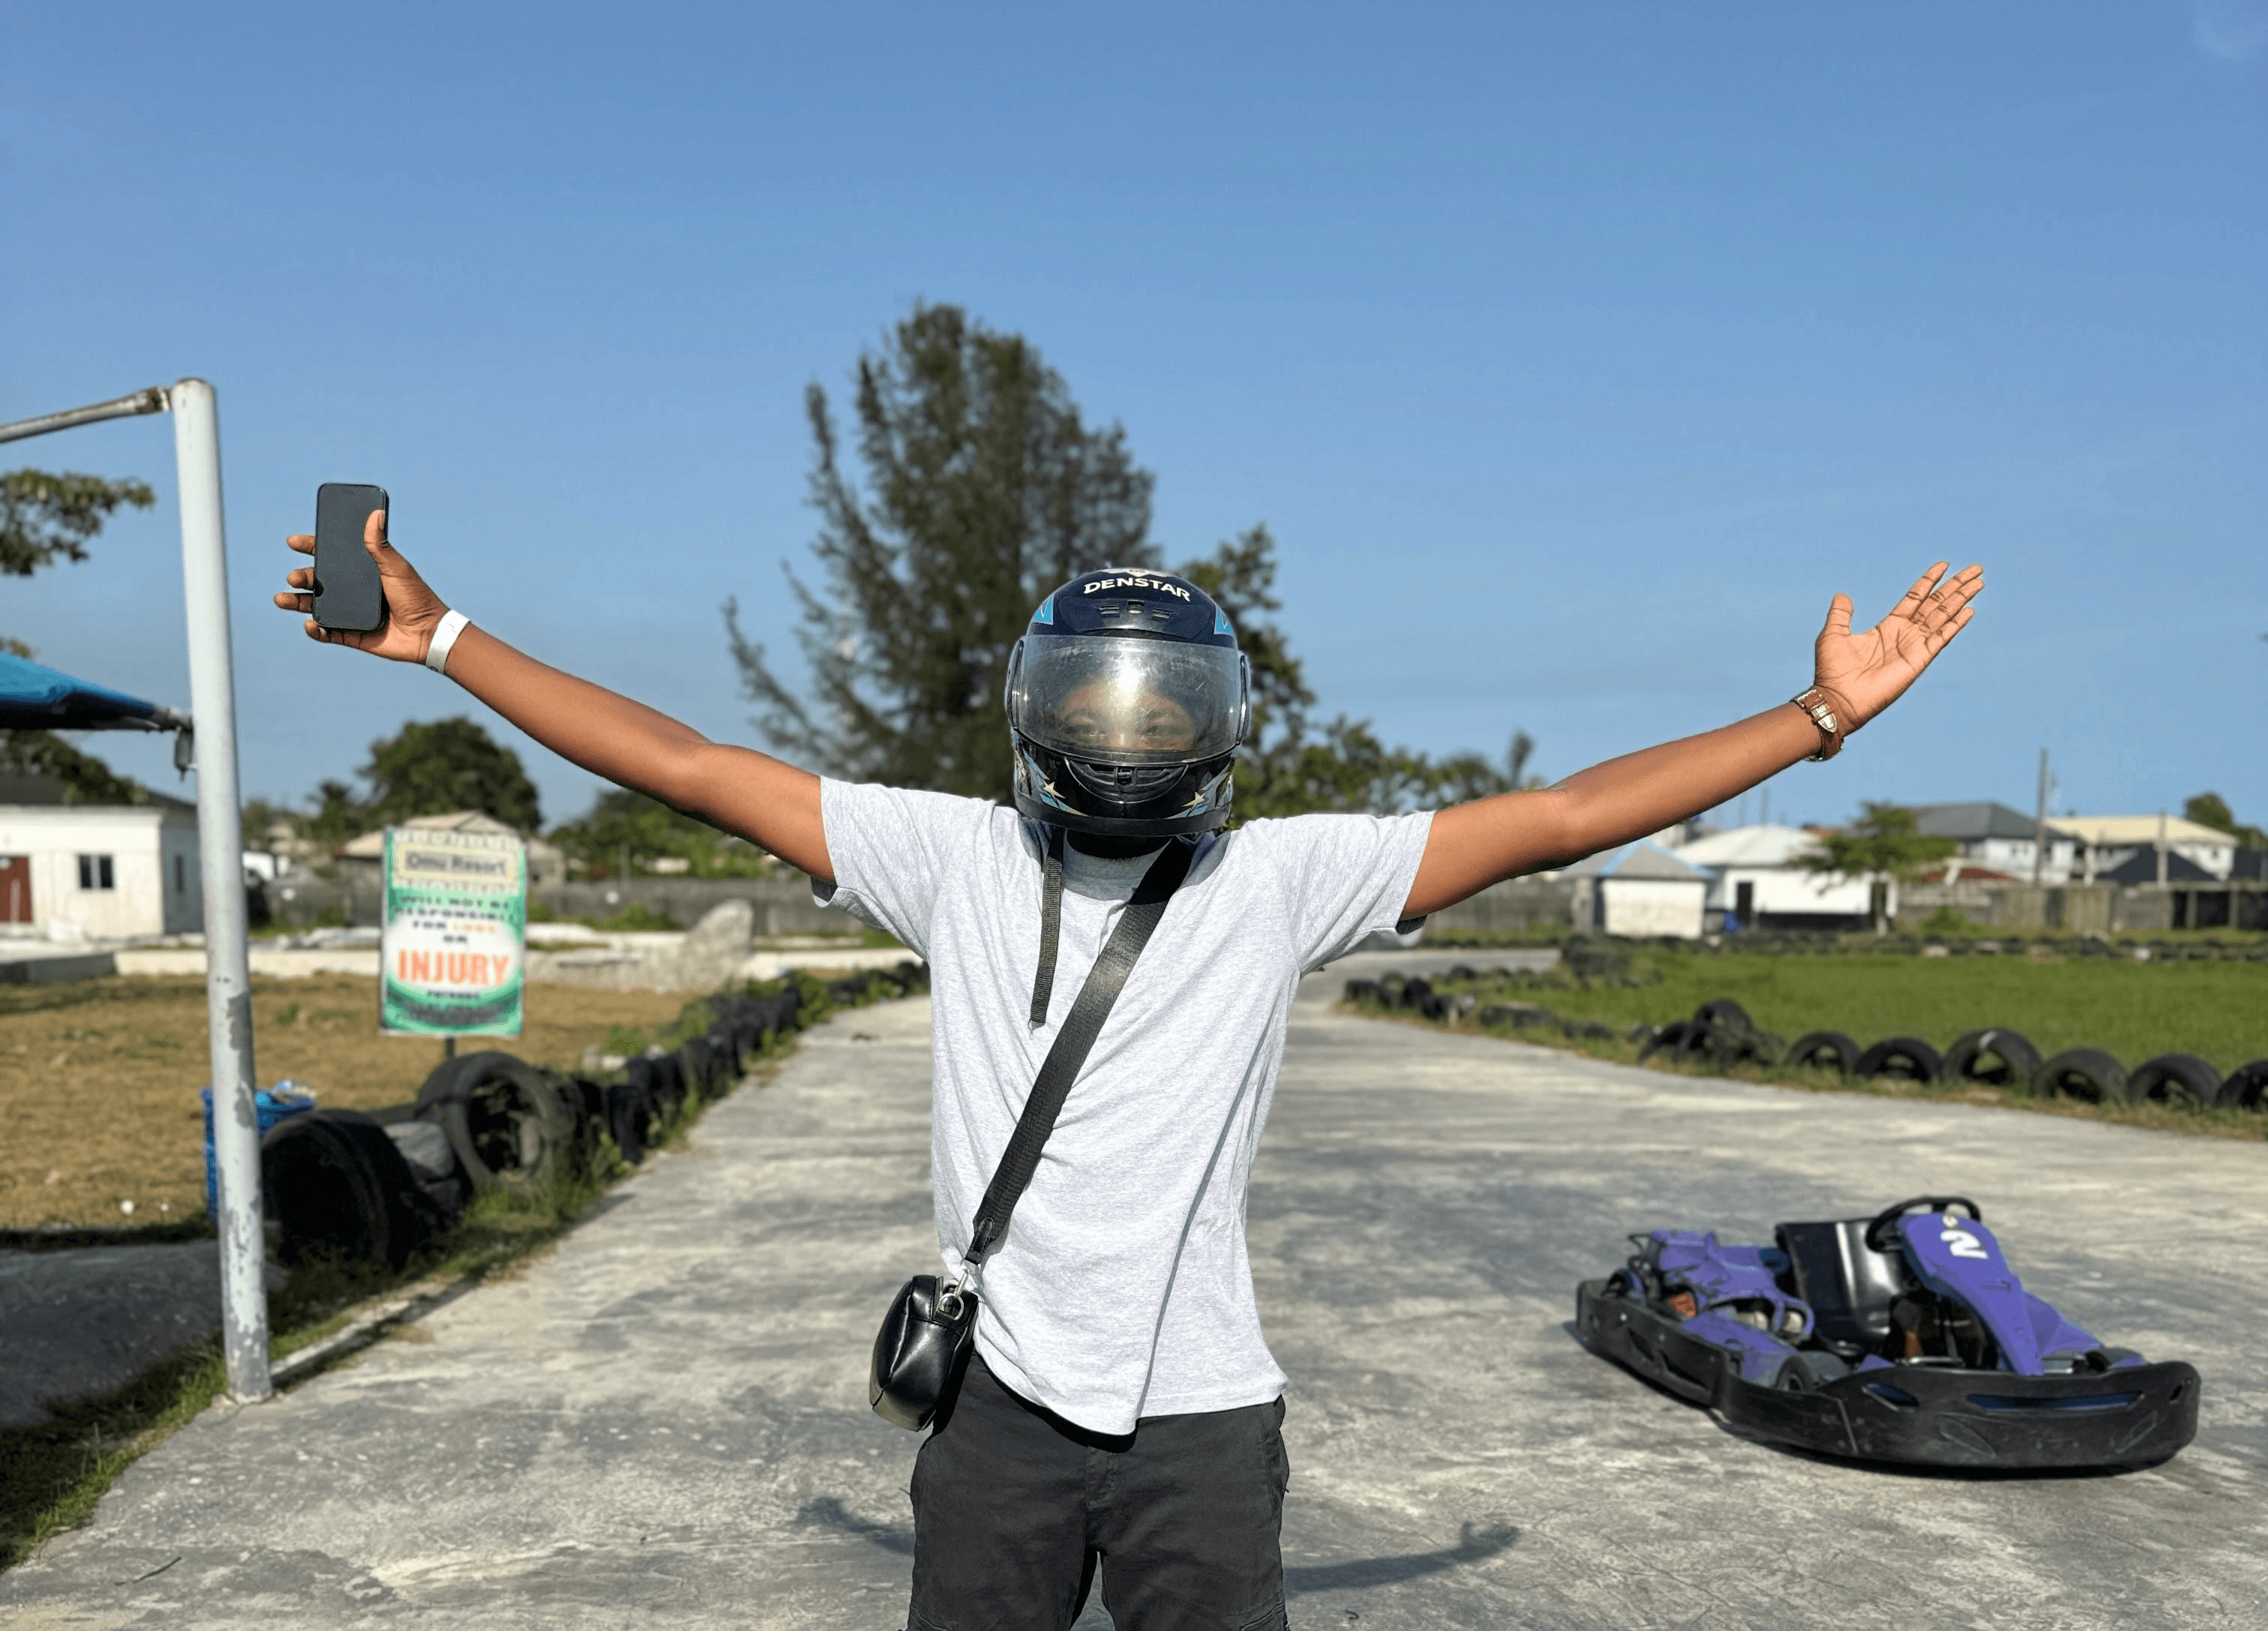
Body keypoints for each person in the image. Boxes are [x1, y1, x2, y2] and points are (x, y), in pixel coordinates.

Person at [278, 519, 1981, 1629]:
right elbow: (683, 764)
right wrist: (445, 643)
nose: (1132, 732)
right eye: (1105, 702)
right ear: (1036, 708)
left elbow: (1557, 819)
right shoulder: (944, 854)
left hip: (1204, 1420)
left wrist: (1811, 720)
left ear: (1217, 727)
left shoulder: (1284, 877)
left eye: (1168, 708)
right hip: (997, 1412)